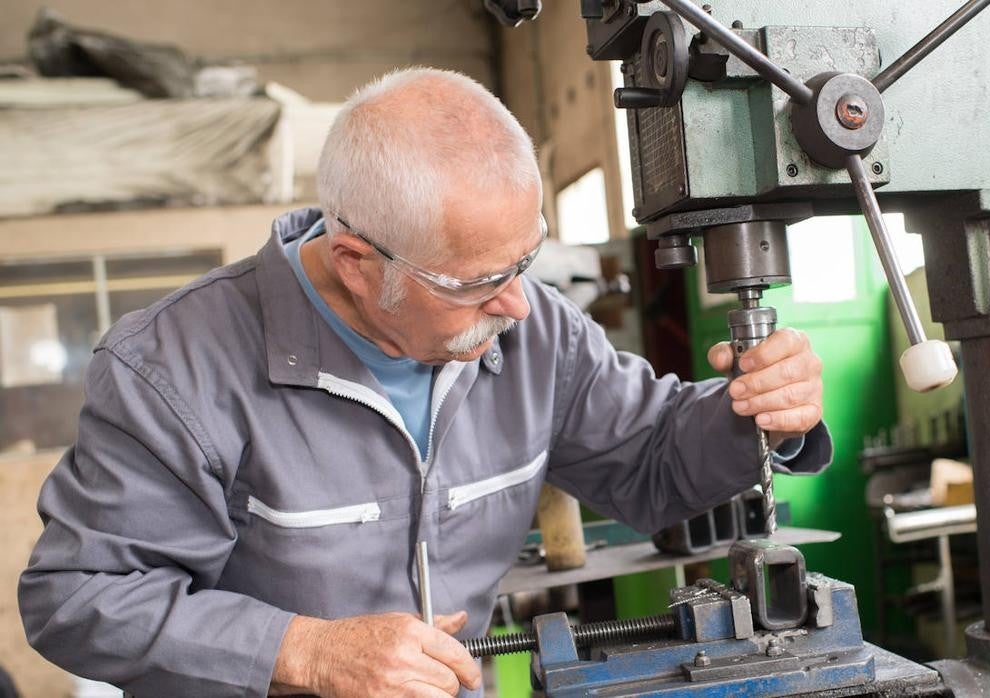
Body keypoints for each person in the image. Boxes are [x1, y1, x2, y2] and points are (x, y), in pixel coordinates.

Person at [19, 67, 831, 697]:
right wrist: (305, 651)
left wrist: (759, 414)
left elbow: (651, 461)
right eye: (477, 282)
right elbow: (78, 598)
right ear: (355, 263)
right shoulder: (174, 368)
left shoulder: (535, 331)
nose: (518, 303)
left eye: (525, 259)